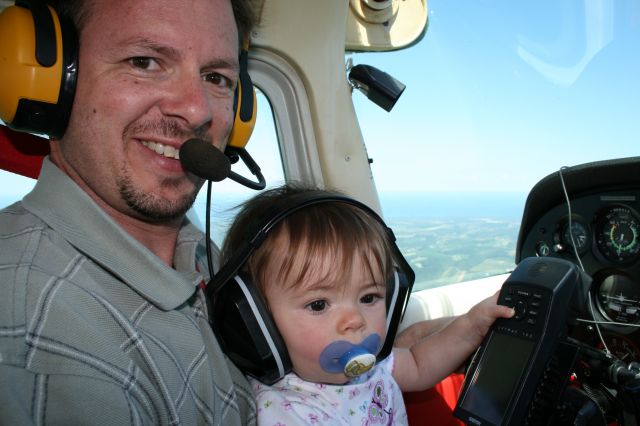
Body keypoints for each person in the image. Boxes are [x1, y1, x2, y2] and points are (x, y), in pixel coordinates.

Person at [0, 0, 258, 424]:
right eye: (145, 62)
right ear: (51, 79)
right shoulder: (41, 345)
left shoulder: (199, 253)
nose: (197, 111)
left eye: (215, 77)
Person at [218, 185, 515, 425]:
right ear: (258, 324)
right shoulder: (284, 412)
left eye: (369, 298)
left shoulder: (375, 365)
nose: (355, 320)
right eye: (319, 304)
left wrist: (471, 326)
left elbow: (420, 363)